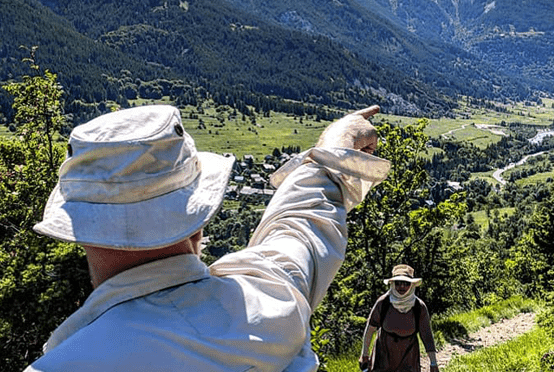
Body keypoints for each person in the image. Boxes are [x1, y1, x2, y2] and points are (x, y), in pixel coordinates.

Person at [25, 103, 390, 372]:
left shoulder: (65, 363)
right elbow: (300, 227)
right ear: (197, 220)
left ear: (81, 230)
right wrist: (337, 145)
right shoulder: (270, 306)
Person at [359, 264, 438, 372]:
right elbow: (370, 329)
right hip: (383, 356)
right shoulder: (383, 303)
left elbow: (427, 336)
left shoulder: (419, 307)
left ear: (412, 285)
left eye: (406, 283)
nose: (402, 287)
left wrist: (433, 363)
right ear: (392, 284)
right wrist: (364, 354)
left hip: (409, 356)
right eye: (398, 283)